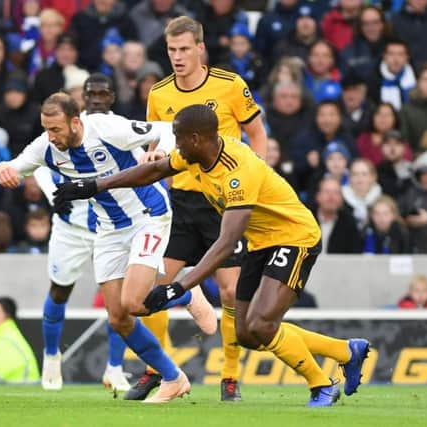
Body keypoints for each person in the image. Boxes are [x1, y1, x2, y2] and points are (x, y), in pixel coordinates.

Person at [54, 103, 371, 407]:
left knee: (261, 325)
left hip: (294, 237)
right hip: (260, 242)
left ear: (196, 138)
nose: (174, 144)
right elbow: (151, 171)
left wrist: (181, 287)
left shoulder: (237, 170)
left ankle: (322, 385)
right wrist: (95, 186)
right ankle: (345, 352)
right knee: (247, 332)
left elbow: (226, 241)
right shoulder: (196, 155)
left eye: (178, 137)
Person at [0, 92, 216, 403]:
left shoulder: (105, 128)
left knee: (135, 302)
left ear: (75, 122)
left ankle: (187, 292)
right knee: (118, 318)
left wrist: (161, 152)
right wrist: (3, 169)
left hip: (147, 215)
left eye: (56, 129)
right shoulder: (46, 147)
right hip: (109, 230)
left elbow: (165, 128)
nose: (51, 136)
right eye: (46, 129)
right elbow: (14, 166)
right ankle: (173, 378)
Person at [136, 15, 268, 402]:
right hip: (181, 204)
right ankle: (158, 372)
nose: (177, 57)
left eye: (183, 50)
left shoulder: (229, 85)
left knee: (230, 294)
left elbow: (257, 131)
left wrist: (255, 180)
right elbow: (155, 145)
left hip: (224, 203)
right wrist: (155, 155)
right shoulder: (159, 94)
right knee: (151, 289)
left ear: (200, 49)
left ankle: (229, 376)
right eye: (171, 50)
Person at [29, 73, 133, 391]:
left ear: (112, 97)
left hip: (112, 227)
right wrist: (54, 197)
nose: (98, 99)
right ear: (83, 99)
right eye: (92, 94)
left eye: (104, 94)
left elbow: (141, 165)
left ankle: (115, 368)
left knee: (120, 301)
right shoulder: (63, 129)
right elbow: (40, 164)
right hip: (72, 225)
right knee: (60, 290)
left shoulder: (119, 129)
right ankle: (50, 357)